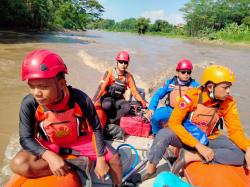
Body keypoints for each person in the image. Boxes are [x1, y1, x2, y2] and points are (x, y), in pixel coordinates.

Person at [10, 49, 123, 187]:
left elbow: (96, 128)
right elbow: (26, 138)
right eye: (32, 87)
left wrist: (100, 158)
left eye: (43, 87)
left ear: (62, 84)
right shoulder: (29, 104)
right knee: (18, 164)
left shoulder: (79, 99)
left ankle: (118, 185)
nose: (36, 93)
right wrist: (48, 155)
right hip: (49, 143)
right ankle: (73, 165)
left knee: (115, 160)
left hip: (78, 141)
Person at [132, 64, 250, 183]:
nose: (228, 91)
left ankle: (191, 156)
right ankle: (150, 171)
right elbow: (174, 122)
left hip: (209, 136)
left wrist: (248, 146)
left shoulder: (228, 103)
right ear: (210, 87)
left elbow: (235, 131)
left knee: (241, 154)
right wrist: (198, 145)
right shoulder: (191, 96)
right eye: (225, 87)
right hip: (186, 135)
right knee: (163, 135)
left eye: (229, 87)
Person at [92, 50, 148, 139]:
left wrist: (144, 102)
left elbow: (135, 91)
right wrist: (93, 100)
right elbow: (101, 87)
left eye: (125, 62)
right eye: (121, 62)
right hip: (107, 97)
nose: (123, 64)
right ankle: (107, 120)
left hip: (118, 99)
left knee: (127, 107)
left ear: (127, 64)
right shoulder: (109, 72)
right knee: (107, 105)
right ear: (117, 62)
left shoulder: (128, 76)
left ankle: (110, 122)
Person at [145, 59, 199, 136]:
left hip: (186, 114)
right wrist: (151, 108)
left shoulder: (195, 85)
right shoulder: (169, 83)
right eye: (183, 72)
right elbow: (157, 95)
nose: (186, 74)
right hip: (170, 110)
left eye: (188, 72)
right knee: (155, 117)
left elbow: (201, 102)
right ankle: (156, 134)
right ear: (177, 73)